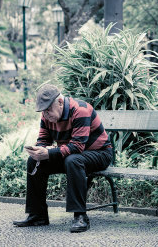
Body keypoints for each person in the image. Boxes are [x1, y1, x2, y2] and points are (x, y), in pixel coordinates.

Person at [13, 84, 113, 233]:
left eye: (48, 110)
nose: (46, 115)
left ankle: (80, 216)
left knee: (73, 160)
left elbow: (78, 146)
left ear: (60, 102)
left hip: (99, 153)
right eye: (43, 112)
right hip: (71, 154)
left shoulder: (80, 110)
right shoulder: (47, 115)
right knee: (35, 161)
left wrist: (49, 153)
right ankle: (37, 215)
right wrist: (39, 150)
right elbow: (43, 139)